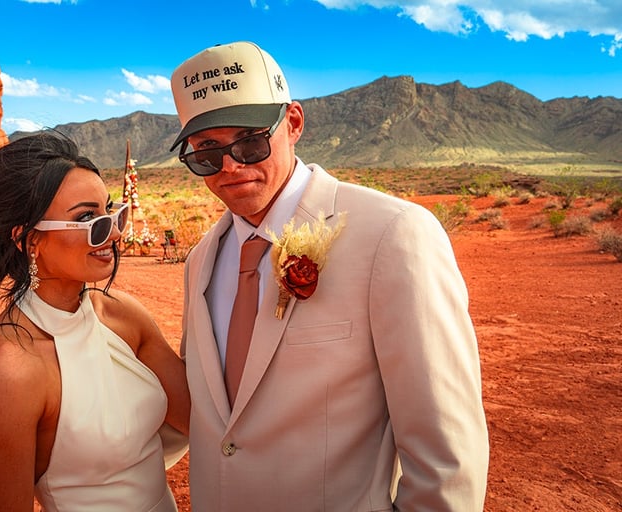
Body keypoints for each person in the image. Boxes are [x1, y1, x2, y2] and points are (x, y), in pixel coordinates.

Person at [168, 41, 489, 511]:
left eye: (250, 142)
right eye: (206, 154)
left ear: (293, 123)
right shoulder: (200, 260)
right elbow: (215, 417)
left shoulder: (393, 235)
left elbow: (447, 461)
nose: (231, 166)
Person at [0, 133, 190, 512]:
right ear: (28, 240)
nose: (116, 233)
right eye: (89, 219)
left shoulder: (124, 315)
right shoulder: (9, 373)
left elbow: (203, 417)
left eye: (112, 213)